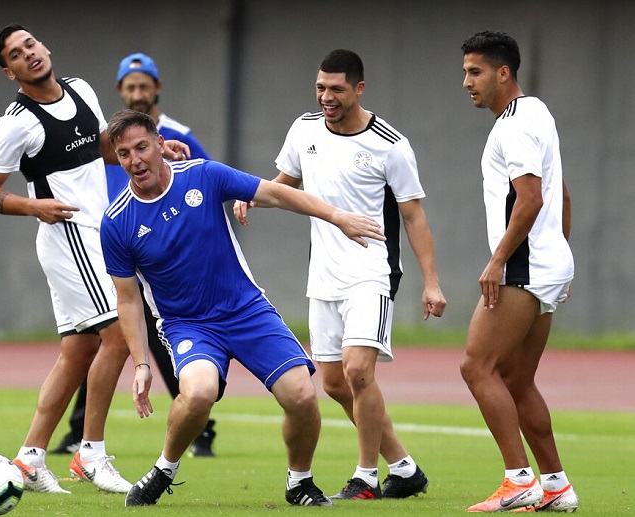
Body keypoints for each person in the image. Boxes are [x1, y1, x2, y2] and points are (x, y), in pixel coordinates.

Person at [100, 109, 386, 507]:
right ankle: (164, 468)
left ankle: (299, 481)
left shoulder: (204, 175)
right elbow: (128, 299)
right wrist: (142, 365)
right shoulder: (116, 222)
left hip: (246, 310)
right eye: (125, 153)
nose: (135, 160)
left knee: (303, 398)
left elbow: (276, 193)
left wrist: (337, 216)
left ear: (160, 145)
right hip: (188, 324)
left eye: (142, 147)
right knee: (198, 393)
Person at [0, 25, 187, 495]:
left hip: (97, 231)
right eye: (15, 54)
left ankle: (30, 458)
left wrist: (153, 156)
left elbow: (106, 150)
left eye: (30, 44)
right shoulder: (16, 123)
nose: (27, 54)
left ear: (45, 47)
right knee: (116, 335)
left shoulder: (82, 90)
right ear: (9, 72)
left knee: (78, 351)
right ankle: (90, 452)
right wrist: (34, 206)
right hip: (68, 235)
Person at [234, 49, 446, 501]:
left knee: (358, 373)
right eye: (320, 88)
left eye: (336, 89)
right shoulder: (304, 129)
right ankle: (405, 469)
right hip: (323, 275)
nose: (326, 97)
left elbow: (414, 216)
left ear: (359, 89)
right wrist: (251, 195)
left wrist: (431, 281)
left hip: (373, 272)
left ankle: (366, 476)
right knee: (333, 383)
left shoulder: (390, 144)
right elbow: (284, 182)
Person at [52, 52, 216, 458]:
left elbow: (207, 182)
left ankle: (200, 425)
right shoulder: (108, 138)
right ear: (120, 91)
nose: (138, 93)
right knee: (104, 337)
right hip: (119, 247)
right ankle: (80, 433)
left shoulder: (178, 134)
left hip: (161, 254)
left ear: (157, 88)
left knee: (153, 339)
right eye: (131, 87)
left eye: (144, 86)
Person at [459, 31, 578, 513]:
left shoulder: (512, 126)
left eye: (475, 72)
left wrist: (497, 260)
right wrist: (561, 257)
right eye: (466, 71)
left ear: (503, 72)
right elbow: (562, 193)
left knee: (476, 366)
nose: (466, 81)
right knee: (515, 377)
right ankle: (556, 487)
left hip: (524, 267)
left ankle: (518, 479)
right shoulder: (538, 111)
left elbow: (532, 198)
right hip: (547, 263)